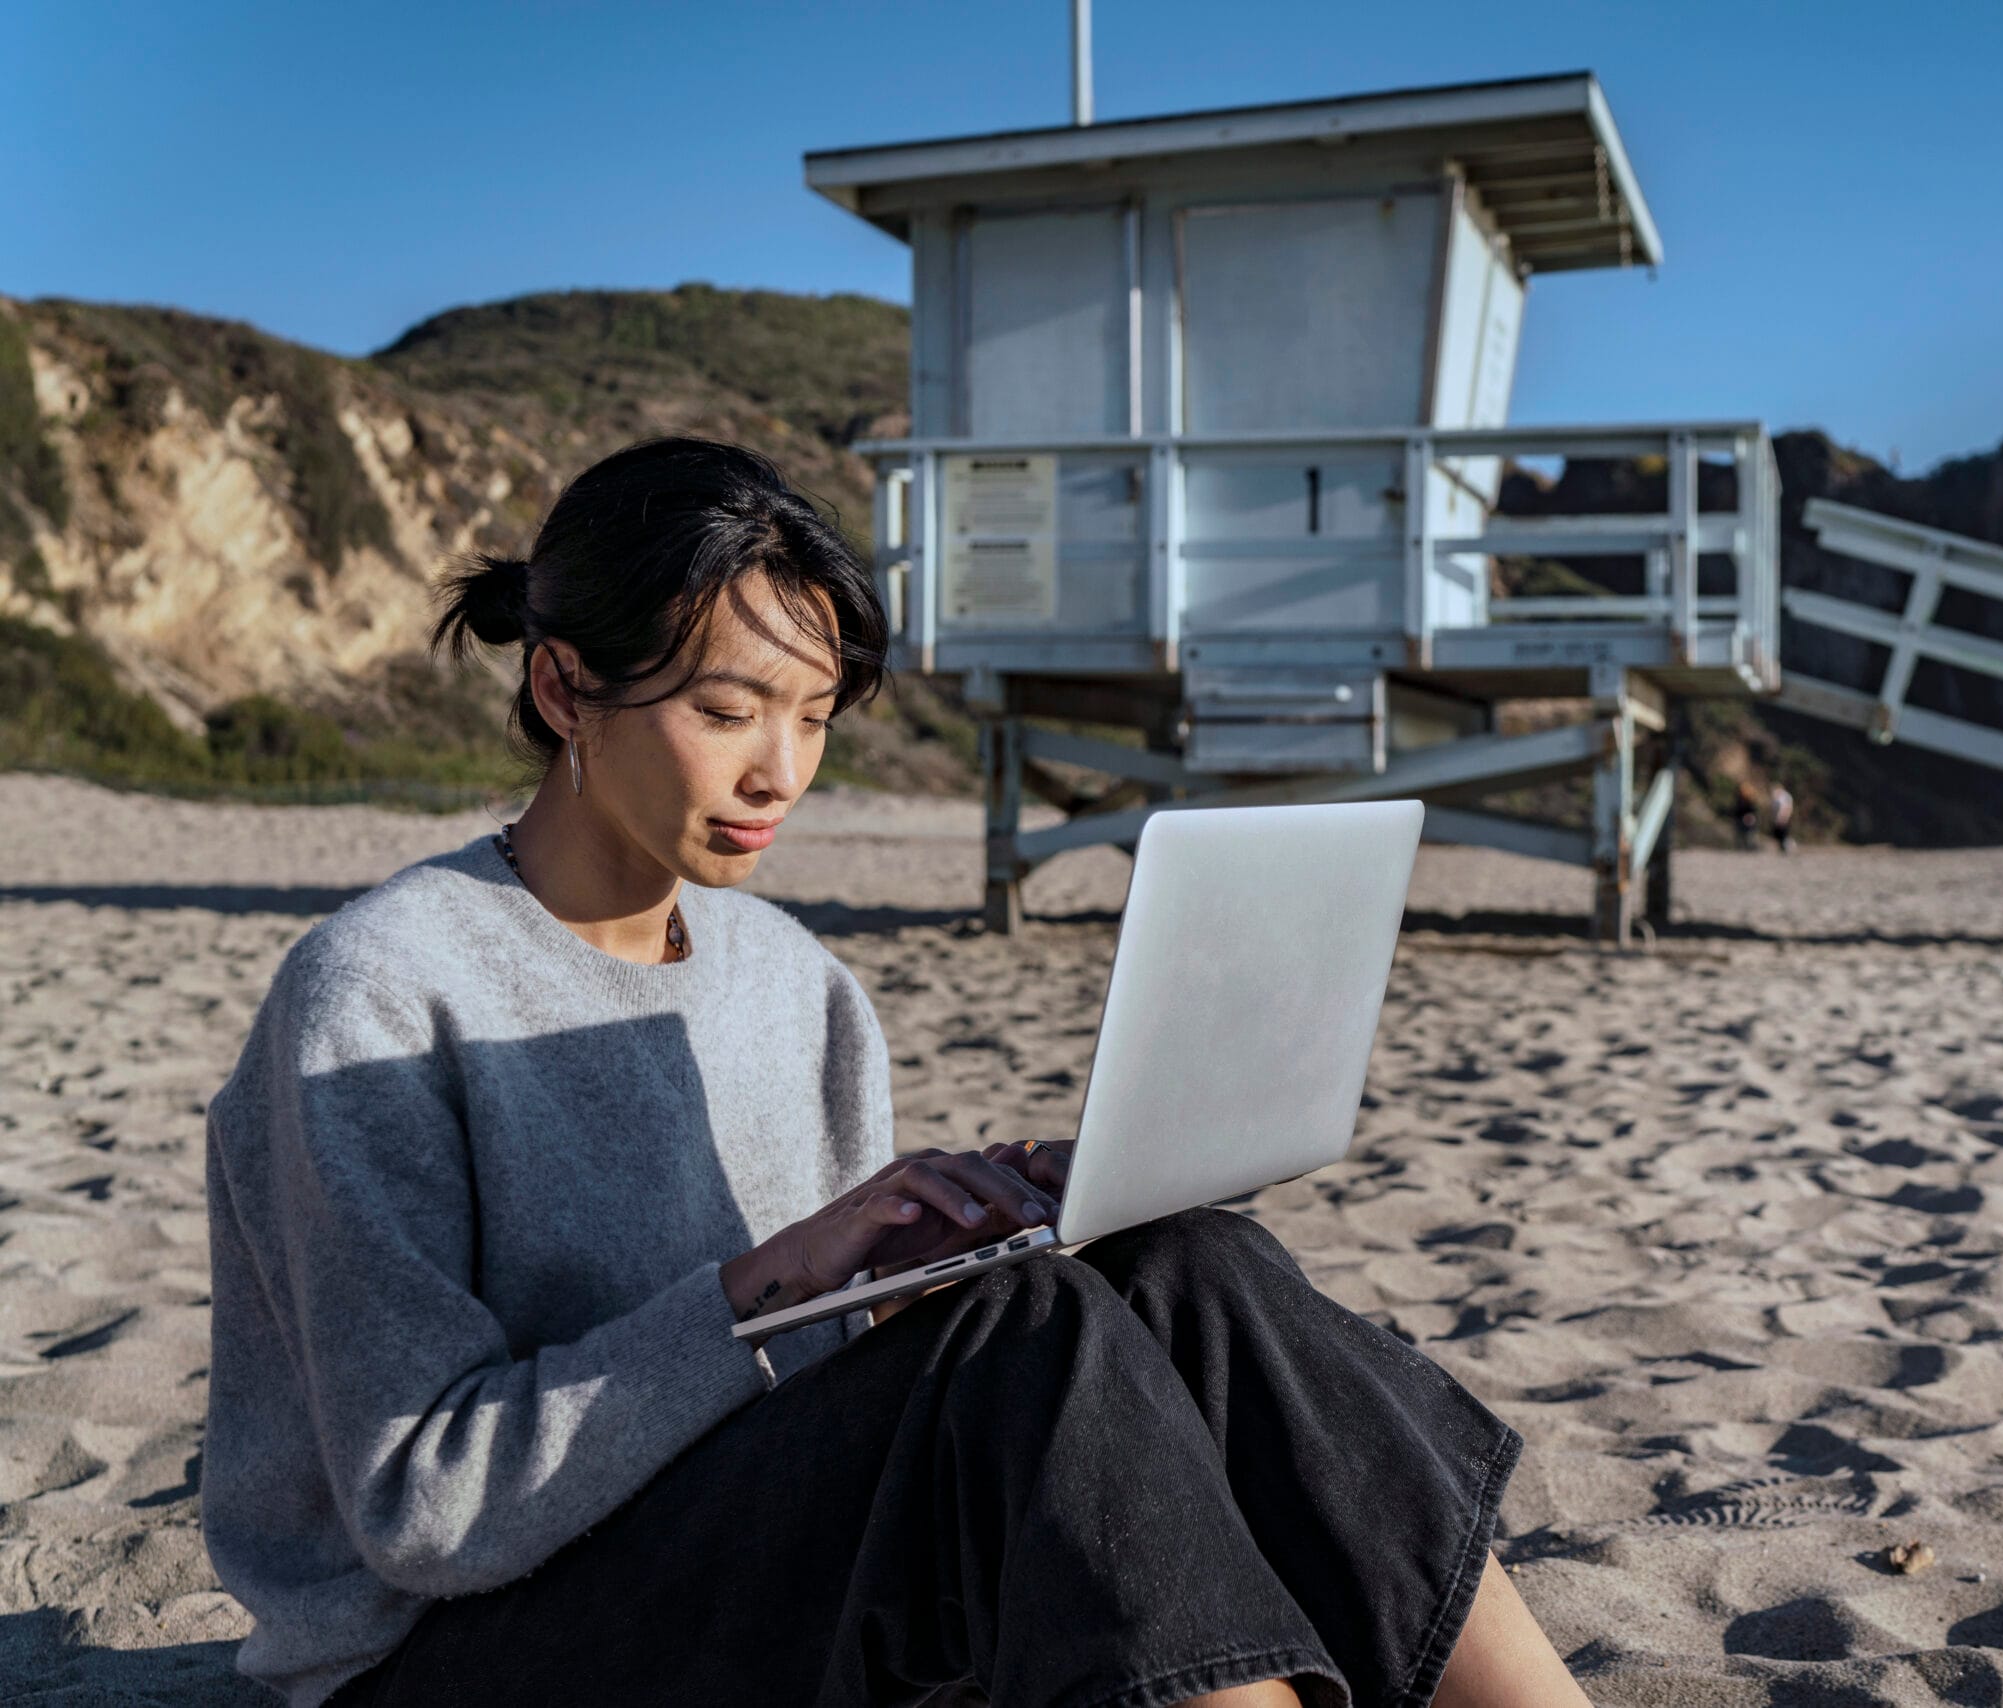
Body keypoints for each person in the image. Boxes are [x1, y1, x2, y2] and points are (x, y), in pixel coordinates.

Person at [199, 438, 1582, 1708]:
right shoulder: (383, 993)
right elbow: (422, 1510)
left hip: (731, 1581)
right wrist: (769, 1287)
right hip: (445, 1662)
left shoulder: (796, 982)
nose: (779, 772)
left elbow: (827, 1407)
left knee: (1182, 1269)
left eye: (814, 716)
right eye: (730, 711)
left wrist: (943, 1261)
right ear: (564, 685)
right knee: (1026, 1341)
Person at [1765, 781, 1795, 855]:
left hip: (1783, 819)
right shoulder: (1776, 797)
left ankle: (1790, 848)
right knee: (1777, 835)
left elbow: (1787, 808)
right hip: (1777, 819)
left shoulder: (1785, 797)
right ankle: (1782, 849)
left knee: (1784, 835)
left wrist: (1783, 818)